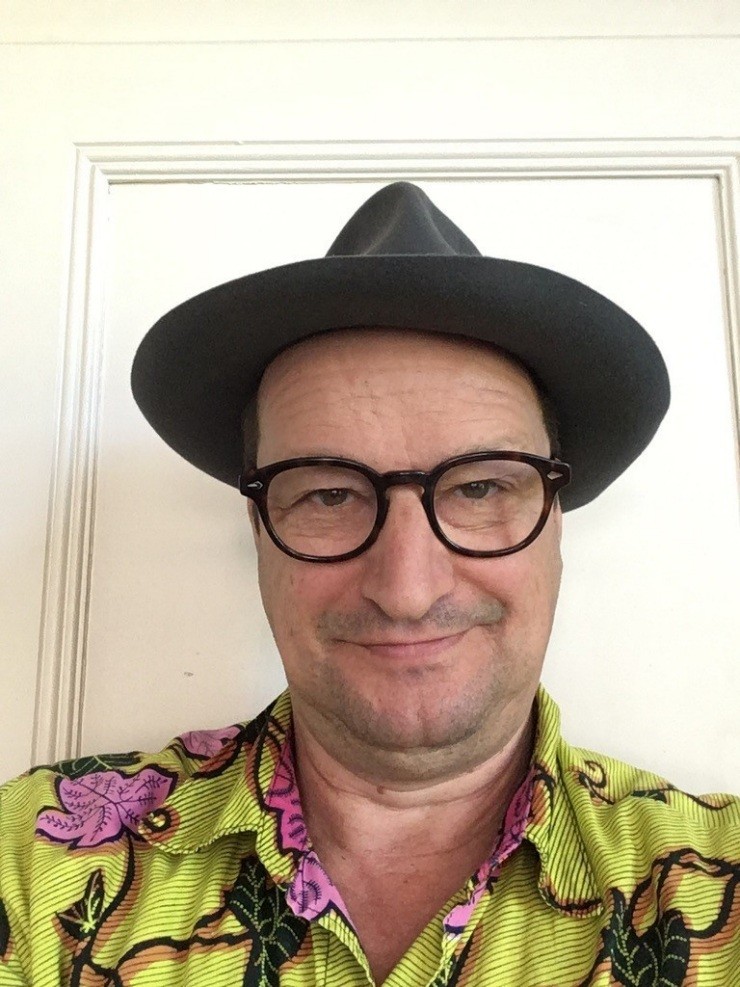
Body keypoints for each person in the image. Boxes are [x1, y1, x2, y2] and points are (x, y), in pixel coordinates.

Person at [0, 182, 737, 987]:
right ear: (258, 530)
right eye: (329, 495)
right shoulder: (36, 868)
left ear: (555, 521)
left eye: (480, 487)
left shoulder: (717, 891)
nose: (407, 588)